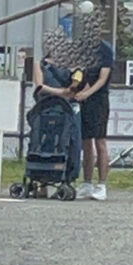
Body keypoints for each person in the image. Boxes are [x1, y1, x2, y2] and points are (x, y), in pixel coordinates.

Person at [31, 29, 83, 185]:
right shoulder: (39, 64)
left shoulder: (73, 67)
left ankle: (68, 178)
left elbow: (76, 87)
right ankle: (40, 180)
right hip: (45, 108)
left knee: (69, 142)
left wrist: (70, 91)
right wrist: (62, 92)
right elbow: (40, 86)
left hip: (68, 109)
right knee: (43, 142)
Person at [75, 10, 114, 202]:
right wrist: (77, 89)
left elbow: (103, 77)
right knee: (85, 142)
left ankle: (102, 184)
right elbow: (77, 71)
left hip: (99, 100)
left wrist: (88, 92)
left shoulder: (105, 49)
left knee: (100, 141)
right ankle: (87, 182)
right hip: (82, 99)